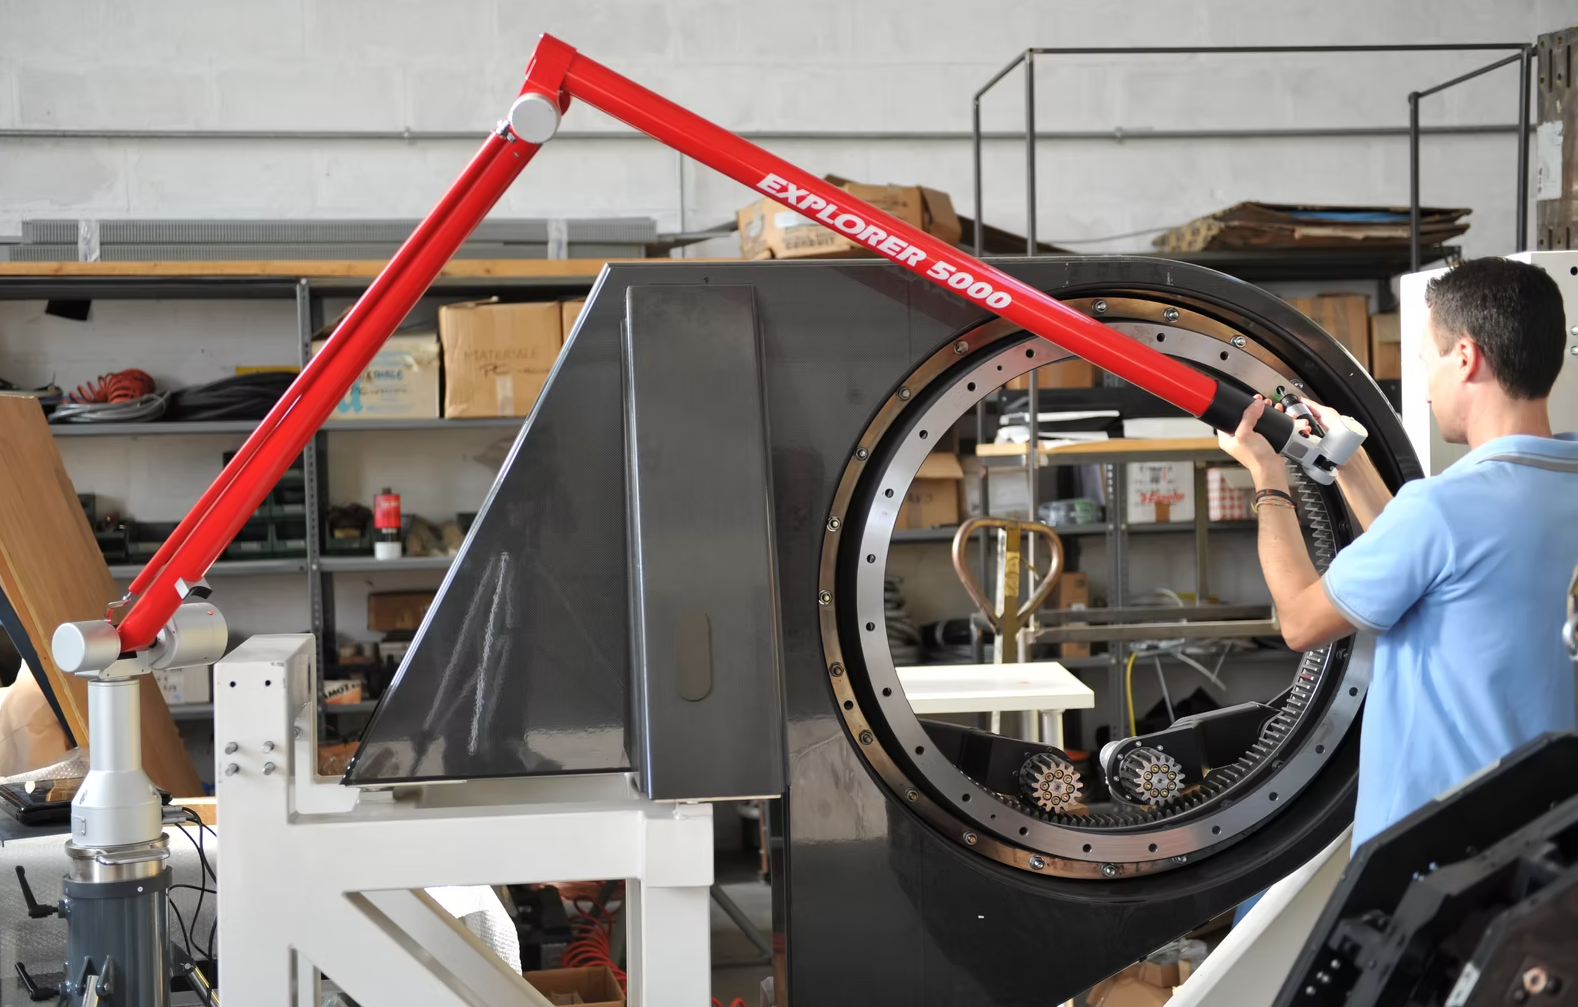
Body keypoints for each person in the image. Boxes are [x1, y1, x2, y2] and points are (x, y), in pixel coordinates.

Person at [1218, 256, 1578, 850]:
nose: (1428, 388)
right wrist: (1349, 461)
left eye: (1427, 361)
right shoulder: (1524, 494)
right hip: (1548, 847)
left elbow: (1301, 622)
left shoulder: (1443, 509)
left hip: (1433, 856)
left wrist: (1267, 476)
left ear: (1465, 358)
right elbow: (1425, 559)